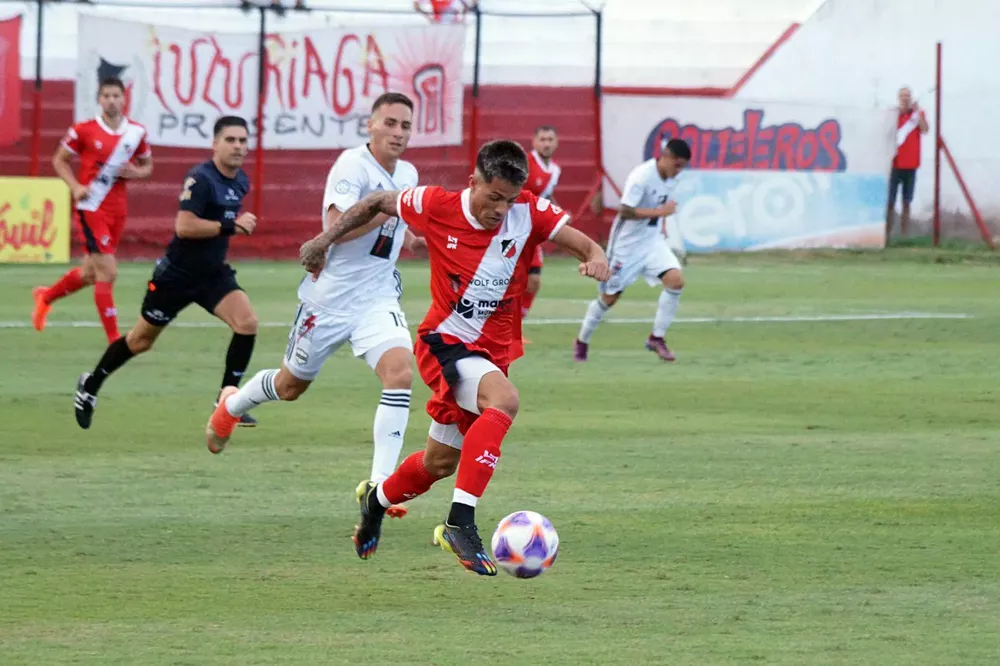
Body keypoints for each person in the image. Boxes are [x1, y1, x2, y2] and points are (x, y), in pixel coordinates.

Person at [298, 140, 611, 576]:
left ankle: (375, 502)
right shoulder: (435, 204)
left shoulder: (531, 212)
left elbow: (587, 246)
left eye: (509, 200)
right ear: (473, 182)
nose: (501, 209)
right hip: (444, 344)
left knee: (438, 464)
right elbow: (374, 202)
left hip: (491, 353)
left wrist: (597, 260)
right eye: (493, 197)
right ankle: (459, 523)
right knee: (503, 402)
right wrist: (323, 241)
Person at [206, 94, 425, 513]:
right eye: (391, 123)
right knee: (290, 387)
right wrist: (385, 207)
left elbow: (397, 223)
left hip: (377, 296)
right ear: (371, 125)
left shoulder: (409, 173)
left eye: (406, 126)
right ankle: (231, 404)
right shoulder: (351, 166)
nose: (398, 133)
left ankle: (380, 489)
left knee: (400, 374)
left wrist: (408, 234)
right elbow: (334, 230)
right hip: (328, 301)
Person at [73, 116, 260, 431]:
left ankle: (227, 401)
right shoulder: (201, 179)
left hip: (213, 275)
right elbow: (184, 227)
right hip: (176, 277)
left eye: (243, 140)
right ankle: (90, 385)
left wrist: (229, 227)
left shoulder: (241, 181)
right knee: (140, 341)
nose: (238, 146)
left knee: (247, 323)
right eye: (231, 140)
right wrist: (231, 226)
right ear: (215, 144)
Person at [33, 77, 153, 344]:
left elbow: (148, 166)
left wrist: (135, 172)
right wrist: (75, 187)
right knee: (108, 272)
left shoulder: (136, 132)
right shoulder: (84, 130)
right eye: (106, 96)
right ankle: (114, 341)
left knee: (90, 272)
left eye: (116, 95)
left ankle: (46, 296)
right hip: (91, 207)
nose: (111, 100)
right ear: (99, 100)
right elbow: (59, 160)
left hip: (117, 210)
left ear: (124, 99)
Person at [574, 138, 692, 363]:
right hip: (626, 246)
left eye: (682, 167)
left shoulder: (671, 177)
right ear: (665, 157)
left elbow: (660, 203)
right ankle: (582, 341)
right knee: (610, 297)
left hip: (652, 241)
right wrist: (661, 214)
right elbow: (626, 211)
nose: (679, 171)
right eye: (677, 165)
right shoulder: (642, 176)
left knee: (676, 280)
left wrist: (661, 224)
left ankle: (656, 338)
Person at [520, 125, 561, 321]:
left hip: (531, 233)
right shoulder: (525, 164)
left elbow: (546, 196)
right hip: (512, 229)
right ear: (534, 142)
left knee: (533, 281)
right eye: (542, 139)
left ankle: (514, 330)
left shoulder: (554, 170)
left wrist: (559, 213)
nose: (546, 144)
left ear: (556, 143)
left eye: (550, 140)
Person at [886, 86, 928, 243]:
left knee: (906, 202)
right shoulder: (893, 114)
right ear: (898, 98)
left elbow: (925, 129)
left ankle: (904, 236)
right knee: (890, 202)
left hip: (911, 165)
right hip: (894, 163)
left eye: (907, 96)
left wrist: (917, 112)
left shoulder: (917, 115)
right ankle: (886, 235)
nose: (905, 98)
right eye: (902, 96)